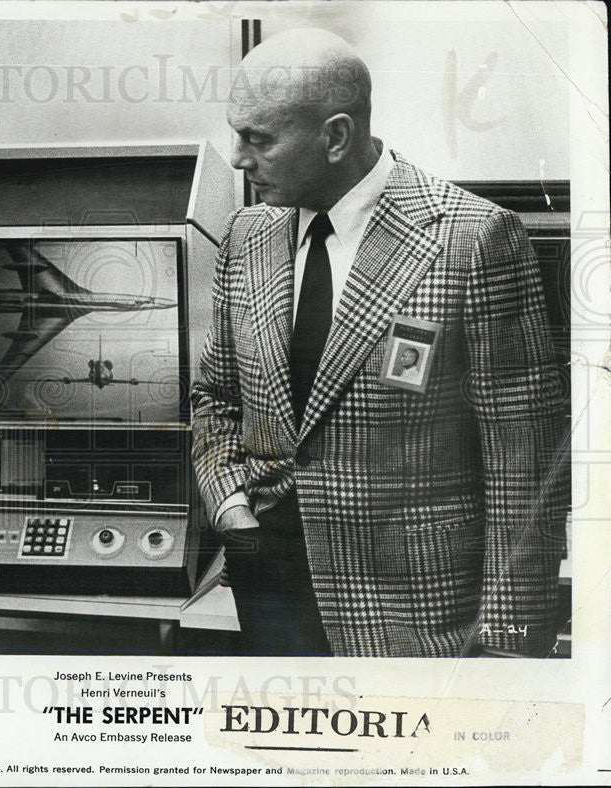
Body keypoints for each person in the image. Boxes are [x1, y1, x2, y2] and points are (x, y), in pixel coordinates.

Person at [191, 30, 568, 657]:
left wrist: (509, 648)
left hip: (419, 617)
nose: (237, 158)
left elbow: (524, 463)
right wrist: (231, 505)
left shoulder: (471, 240)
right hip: (272, 593)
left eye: (259, 138)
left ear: (336, 136)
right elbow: (215, 395)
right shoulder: (247, 236)